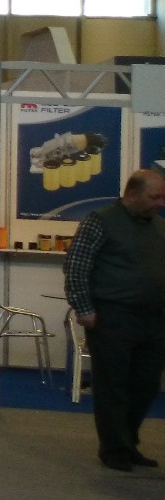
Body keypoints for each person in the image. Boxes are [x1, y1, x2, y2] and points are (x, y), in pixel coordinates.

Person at [62, 169, 165, 472]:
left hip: (154, 320)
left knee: (146, 386)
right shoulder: (101, 221)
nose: (160, 203)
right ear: (132, 194)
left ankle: (128, 442)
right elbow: (76, 267)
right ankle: (114, 448)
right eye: (154, 197)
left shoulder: (159, 227)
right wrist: (83, 308)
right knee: (113, 386)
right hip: (112, 317)